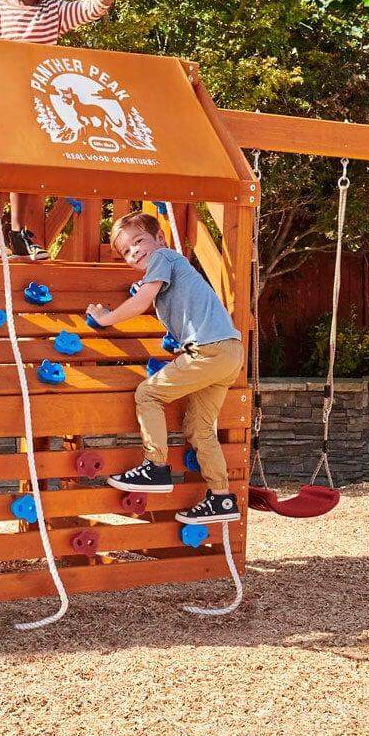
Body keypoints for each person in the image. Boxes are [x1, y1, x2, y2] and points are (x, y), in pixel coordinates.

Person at [0, 0, 136, 256]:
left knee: (24, 169)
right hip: (2, 99)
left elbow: (89, 8)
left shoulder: (53, 10)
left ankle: (20, 234)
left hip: (36, 102)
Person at [88, 210, 243, 525]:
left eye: (139, 241)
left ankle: (155, 466)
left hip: (209, 352)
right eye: (127, 251)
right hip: (229, 353)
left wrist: (106, 317)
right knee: (199, 429)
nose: (135, 252)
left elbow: (142, 302)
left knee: (148, 394)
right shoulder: (171, 269)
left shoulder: (164, 258)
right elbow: (178, 306)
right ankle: (221, 498)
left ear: (160, 238)